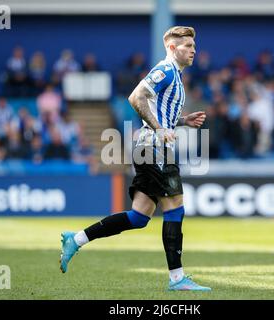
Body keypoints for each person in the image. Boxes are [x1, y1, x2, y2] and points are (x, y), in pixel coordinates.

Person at [59, 26, 211, 291]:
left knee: (140, 216)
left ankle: (77, 239)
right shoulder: (164, 70)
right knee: (175, 206)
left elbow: (156, 111)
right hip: (154, 147)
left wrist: (181, 121)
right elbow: (136, 97)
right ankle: (177, 279)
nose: (193, 51)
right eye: (187, 46)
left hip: (148, 146)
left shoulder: (175, 75)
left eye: (194, 47)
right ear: (172, 48)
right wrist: (160, 128)